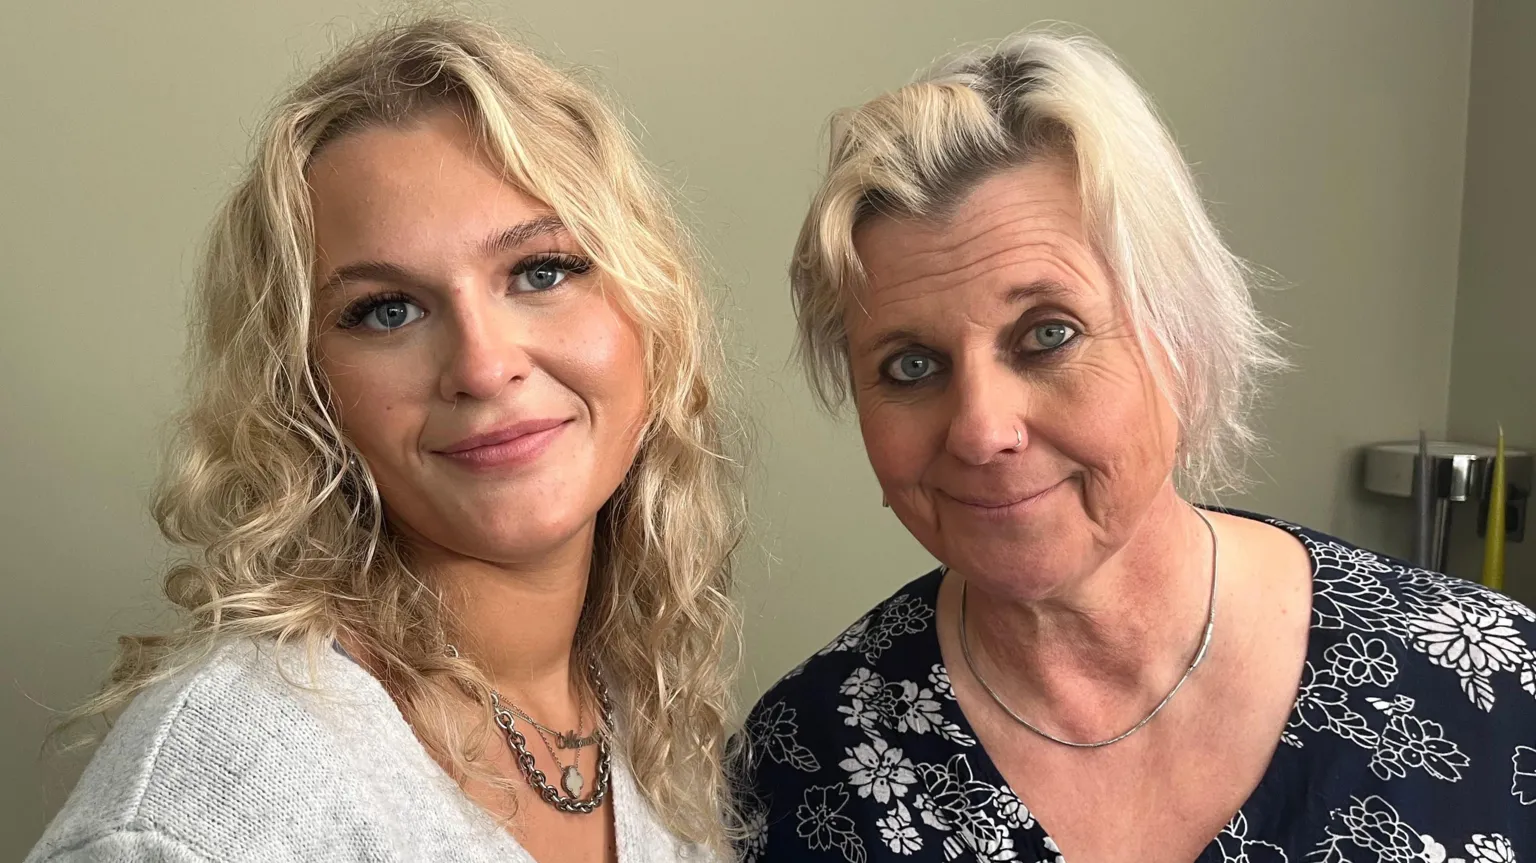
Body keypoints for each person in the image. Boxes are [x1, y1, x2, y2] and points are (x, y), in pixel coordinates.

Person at [739, 29, 1536, 863]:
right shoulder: (802, 764)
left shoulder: (1489, 688)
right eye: (910, 365)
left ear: (1182, 338)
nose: (979, 429)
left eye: (1049, 333)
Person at [29, 15, 741, 863]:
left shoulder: (644, 705)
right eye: (386, 311)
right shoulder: (215, 806)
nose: (481, 365)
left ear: (652, 316)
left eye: (542, 270)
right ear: (308, 393)